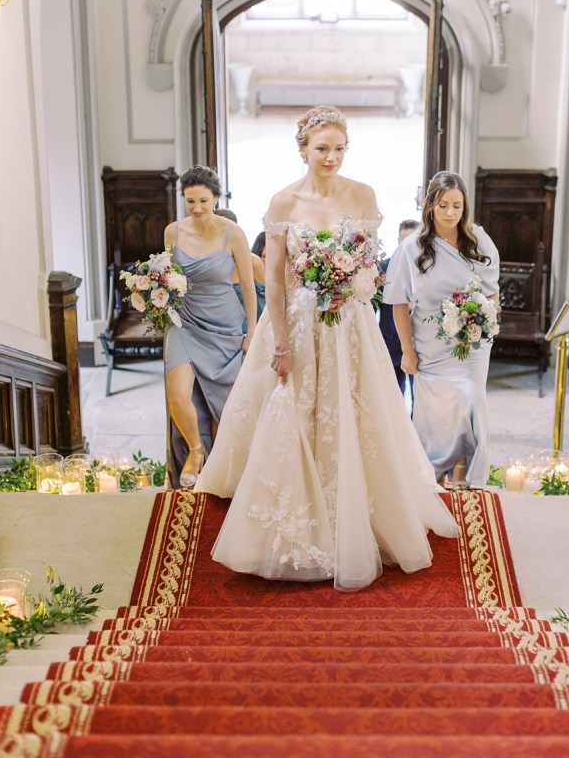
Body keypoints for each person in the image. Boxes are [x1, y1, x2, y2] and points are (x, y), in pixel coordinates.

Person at [195, 105, 459, 591]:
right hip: (300, 322)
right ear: (303, 150)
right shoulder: (283, 203)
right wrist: (278, 339)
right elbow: (274, 279)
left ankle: (362, 515)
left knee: (358, 412)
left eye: (339, 148)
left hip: (351, 324)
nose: (331, 157)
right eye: (322, 148)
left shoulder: (362, 195)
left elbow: (370, 266)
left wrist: (354, 284)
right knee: (297, 412)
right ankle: (296, 522)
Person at [384, 172, 499, 487]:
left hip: (472, 341)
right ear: (430, 206)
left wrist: (487, 318)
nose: (451, 213)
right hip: (429, 343)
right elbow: (397, 303)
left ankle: (464, 467)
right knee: (436, 413)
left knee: (471, 399)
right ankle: (434, 470)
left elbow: (491, 292)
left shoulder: (478, 240)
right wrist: (407, 351)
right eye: (444, 205)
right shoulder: (412, 248)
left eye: (457, 206)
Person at [163, 166, 257, 489]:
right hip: (184, 323)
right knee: (177, 394)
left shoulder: (234, 234)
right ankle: (195, 449)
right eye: (190, 201)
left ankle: (224, 475)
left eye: (203, 200)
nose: (197, 208)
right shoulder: (171, 233)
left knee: (225, 410)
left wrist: (252, 331)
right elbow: (167, 277)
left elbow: (248, 286)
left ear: (216, 197)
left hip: (224, 328)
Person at [378, 219, 419, 398]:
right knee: (393, 397)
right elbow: (370, 308)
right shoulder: (383, 268)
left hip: (421, 343)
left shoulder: (431, 268)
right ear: (397, 242)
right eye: (404, 243)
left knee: (420, 397)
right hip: (390, 343)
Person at [216, 209, 266, 335]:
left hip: (245, 334)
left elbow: (265, 305)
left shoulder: (254, 262)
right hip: (213, 330)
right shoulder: (205, 261)